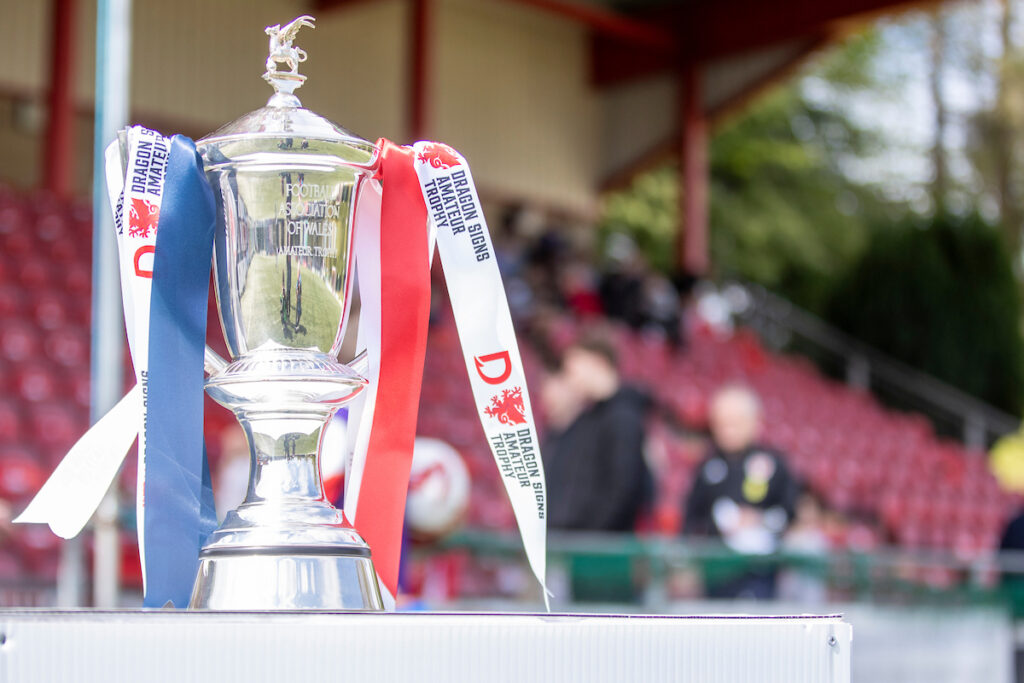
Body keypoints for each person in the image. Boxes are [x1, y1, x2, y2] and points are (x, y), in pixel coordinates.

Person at [682, 385, 798, 599]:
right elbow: (691, 517)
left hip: (759, 570)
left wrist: (759, 520)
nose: (727, 431)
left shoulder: (773, 462)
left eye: (735, 423)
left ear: (754, 422)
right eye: (721, 424)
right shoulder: (708, 465)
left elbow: (789, 511)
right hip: (716, 572)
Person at [544, 335, 652, 532]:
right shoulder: (586, 419)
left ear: (598, 362)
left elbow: (623, 490)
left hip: (598, 549)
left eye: (573, 370)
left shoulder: (624, 418)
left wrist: (590, 536)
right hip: (573, 542)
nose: (570, 380)